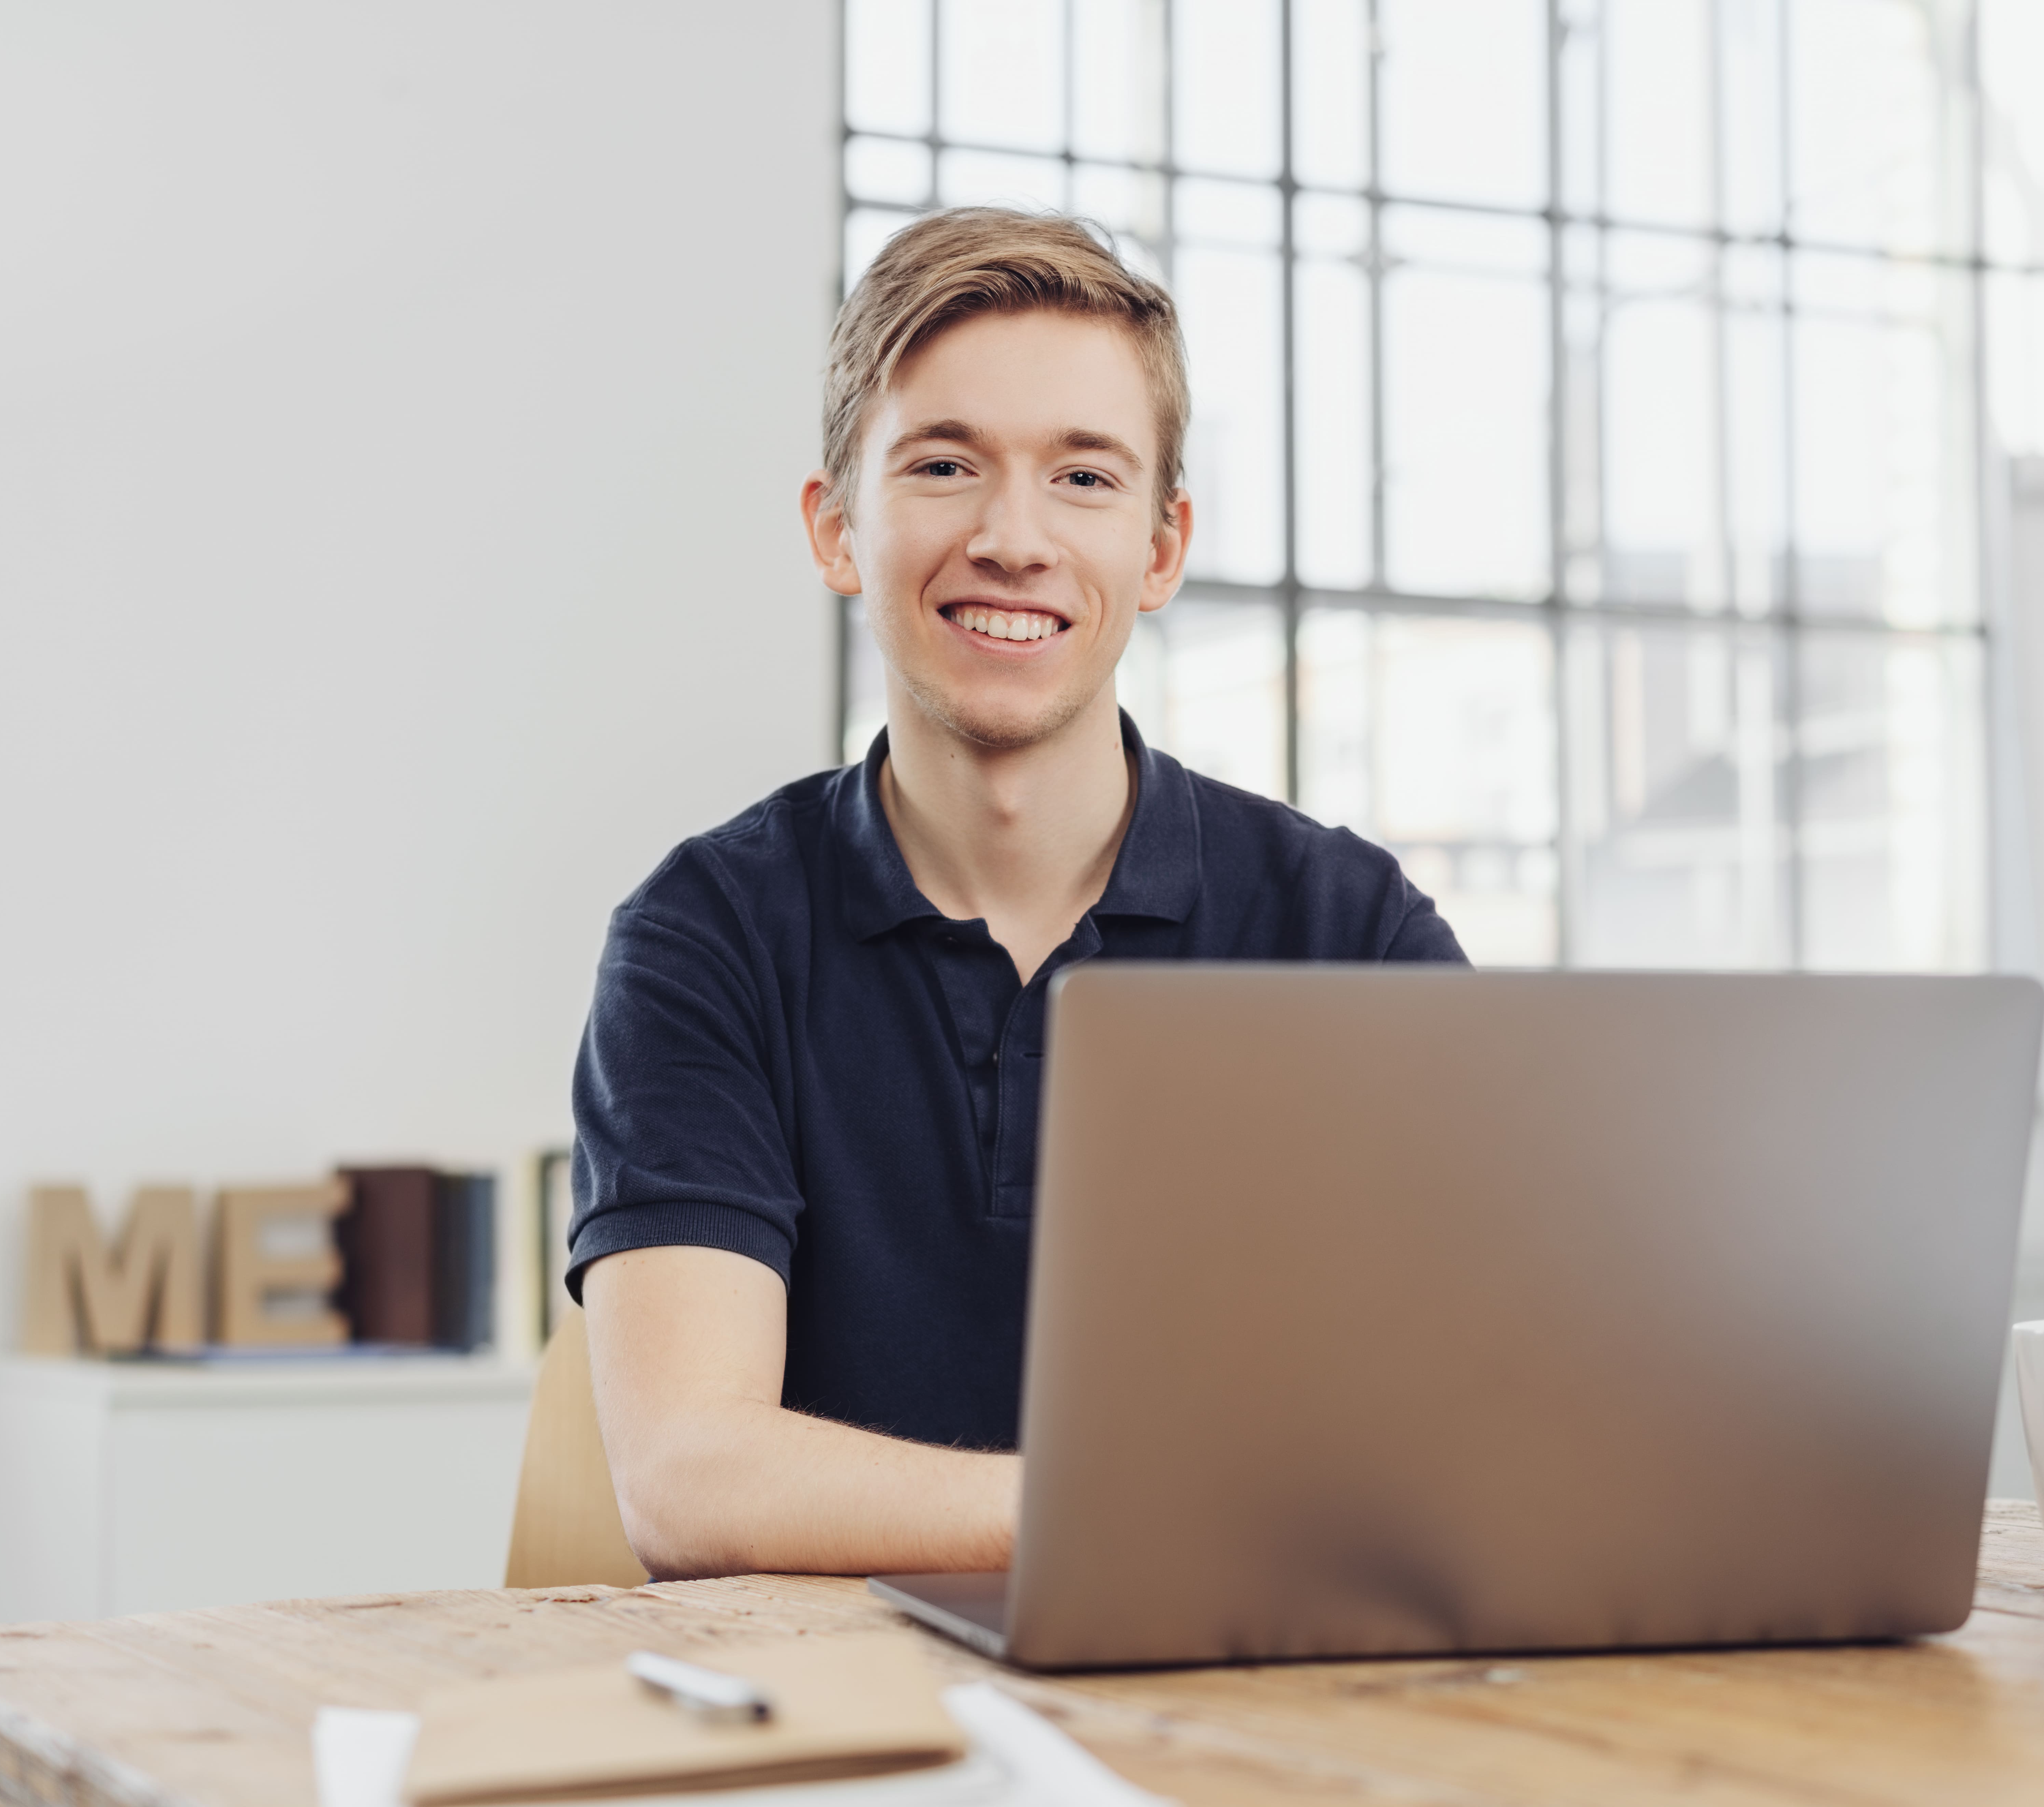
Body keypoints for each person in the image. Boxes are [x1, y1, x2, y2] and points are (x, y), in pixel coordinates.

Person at [571, 208, 1466, 1581]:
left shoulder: (1349, 932)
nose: (1012, 537)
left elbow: (1472, 1415)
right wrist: (1157, 1520)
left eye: (1083, 479)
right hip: (836, 1735)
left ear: (1160, 551)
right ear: (836, 529)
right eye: (943, 465)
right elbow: (691, 1479)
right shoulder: (705, 939)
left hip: (1249, 1717)